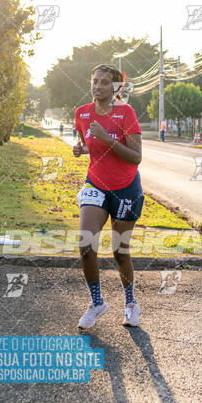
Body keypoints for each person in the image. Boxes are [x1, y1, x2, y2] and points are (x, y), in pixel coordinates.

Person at [73, 64, 143, 329]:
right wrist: (80, 149)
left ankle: (130, 303)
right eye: (95, 81)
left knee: (120, 252)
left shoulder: (126, 113)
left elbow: (136, 158)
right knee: (86, 245)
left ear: (116, 87)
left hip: (126, 187)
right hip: (96, 184)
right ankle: (97, 302)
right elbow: (86, 142)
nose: (98, 86)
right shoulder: (82, 113)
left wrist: (108, 138)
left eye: (104, 82)